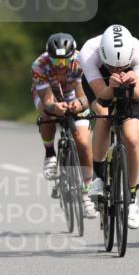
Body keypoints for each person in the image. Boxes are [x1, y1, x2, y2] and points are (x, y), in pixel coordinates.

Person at [82, 25, 139, 229]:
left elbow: (138, 94)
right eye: (112, 66)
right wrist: (111, 85)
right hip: (100, 87)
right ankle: (99, 176)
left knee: (131, 138)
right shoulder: (89, 52)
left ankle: (131, 196)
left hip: (129, 90)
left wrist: (131, 84)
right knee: (104, 116)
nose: (117, 71)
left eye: (121, 67)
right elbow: (101, 96)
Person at [32, 33, 97, 219]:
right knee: (46, 114)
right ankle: (50, 153)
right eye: (56, 62)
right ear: (48, 57)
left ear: (72, 57)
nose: (61, 66)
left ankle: (86, 193)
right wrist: (54, 107)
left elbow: (84, 95)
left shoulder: (81, 61)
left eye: (65, 62)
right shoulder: (40, 65)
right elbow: (46, 100)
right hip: (48, 94)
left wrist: (80, 104)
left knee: (83, 142)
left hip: (74, 94)